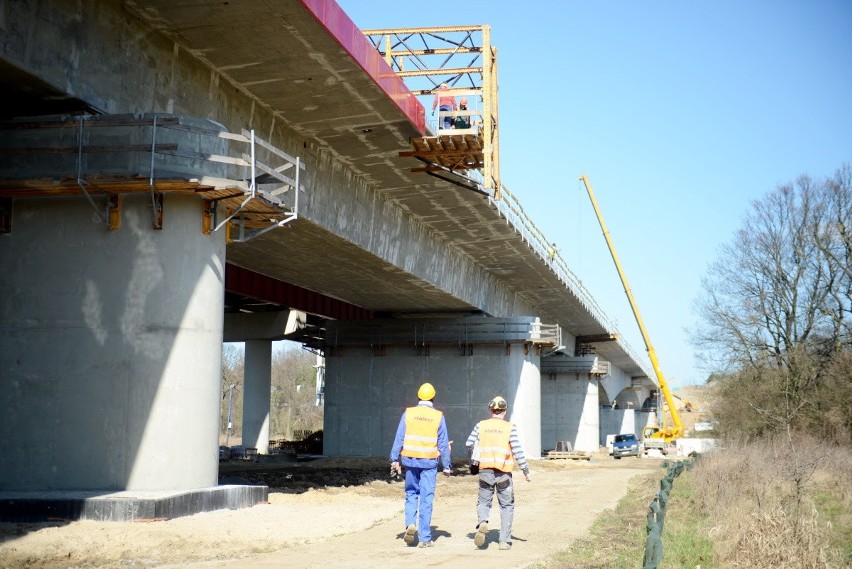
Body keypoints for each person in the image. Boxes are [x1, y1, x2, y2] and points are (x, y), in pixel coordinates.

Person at [390, 382, 453, 548]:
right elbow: (443, 443)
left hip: (410, 461)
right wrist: (447, 465)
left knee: (411, 493)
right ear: (433, 398)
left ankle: (410, 524)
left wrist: (394, 459)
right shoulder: (438, 416)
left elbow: (399, 437)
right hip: (429, 462)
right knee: (426, 498)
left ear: (418, 397)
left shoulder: (408, 413)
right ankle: (425, 538)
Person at [465, 395, 531, 551]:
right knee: (507, 505)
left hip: (485, 470)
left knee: (483, 501)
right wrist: (525, 471)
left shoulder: (480, 425)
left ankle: (482, 522)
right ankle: (504, 541)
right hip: (503, 473)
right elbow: (517, 450)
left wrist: (474, 456)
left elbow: (469, 443)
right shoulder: (510, 427)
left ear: (490, 410)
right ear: (504, 410)